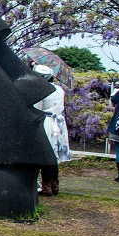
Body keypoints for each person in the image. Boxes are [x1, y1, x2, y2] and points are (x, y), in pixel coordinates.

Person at [33, 64, 71, 195]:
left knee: (45, 153)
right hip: (59, 123)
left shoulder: (42, 90)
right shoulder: (59, 89)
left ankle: (46, 186)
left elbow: (37, 108)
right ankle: (55, 184)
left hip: (46, 122)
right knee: (54, 155)